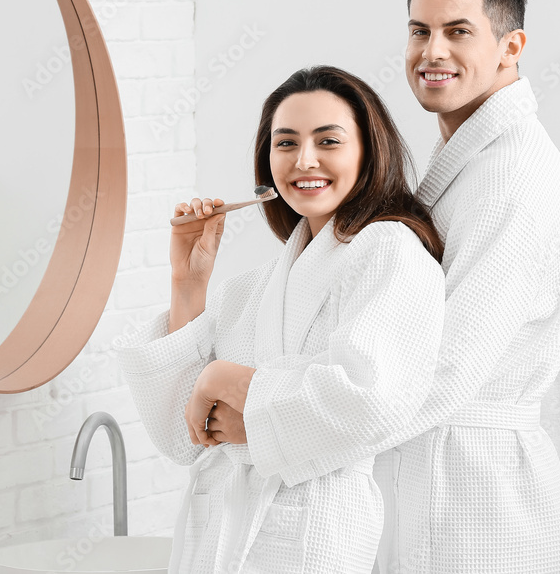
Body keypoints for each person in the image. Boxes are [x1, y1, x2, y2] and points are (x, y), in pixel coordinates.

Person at [113, 65, 446, 573]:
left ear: (367, 150)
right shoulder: (254, 287)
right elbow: (182, 434)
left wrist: (229, 382)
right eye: (285, 143)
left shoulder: (390, 250)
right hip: (215, 534)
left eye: (328, 140)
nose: (303, 160)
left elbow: (370, 397)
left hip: (313, 537)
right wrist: (189, 284)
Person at [351, 0, 560, 573]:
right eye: (420, 30)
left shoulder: (515, 177)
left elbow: (446, 366)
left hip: (482, 511)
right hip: (441, 481)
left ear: (512, 46)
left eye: (458, 31)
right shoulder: (469, 164)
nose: (432, 52)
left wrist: (294, 429)